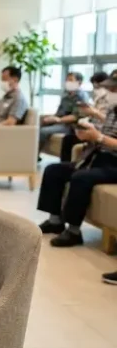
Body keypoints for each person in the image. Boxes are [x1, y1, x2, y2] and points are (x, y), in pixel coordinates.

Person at [37, 73, 117, 248]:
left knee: (81, 178)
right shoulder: (113, 110)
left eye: (114, 88)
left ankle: (73, 231)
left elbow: (105, 138)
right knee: (53, 170)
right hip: (98, 157)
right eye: (110, 88)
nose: (110, 92)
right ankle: (55, 221)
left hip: (114, 164)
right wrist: (89, 135)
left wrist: (100, 138)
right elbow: (104, 134)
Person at [39, 72, 88, 156]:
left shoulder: (81, 96)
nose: (67, 82)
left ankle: (33, 156)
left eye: (70, 80)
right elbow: (59, 112)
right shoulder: (66, 94)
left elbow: (76, 116)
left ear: (79, 83)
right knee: (37, 126)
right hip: (60, 121)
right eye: (67, 80)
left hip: (70, 125)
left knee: (43, 131)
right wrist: (51, 118)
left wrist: (58, 120)